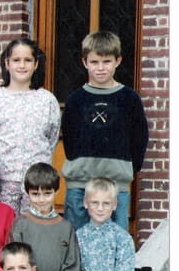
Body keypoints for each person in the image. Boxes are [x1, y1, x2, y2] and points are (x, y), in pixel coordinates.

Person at [61, 30, 149, 231]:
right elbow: (69, 137)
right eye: (94, 62)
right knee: (76, 239)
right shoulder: (75, 99)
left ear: (118, 60)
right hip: (79, 184)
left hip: (116, 184)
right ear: (85, 62)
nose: (100, 68)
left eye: (106, 61)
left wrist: (128, 169)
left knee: (116, 240)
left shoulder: (129, 99)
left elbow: (139, 138)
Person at [0, 37, 61, 214]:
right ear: (7, 63)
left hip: (37, 184)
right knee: (6, 228)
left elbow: (52, 138)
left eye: (28, 60)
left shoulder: (47, 100)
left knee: (35, 227)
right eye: (16, 60)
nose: (22, 65)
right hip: (4, 183)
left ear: (36, 64)